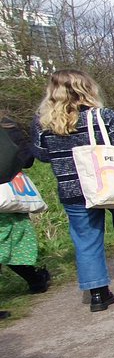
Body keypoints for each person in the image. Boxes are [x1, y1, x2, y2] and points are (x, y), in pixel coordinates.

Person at [32, 70, 114, 312]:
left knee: (86, 239)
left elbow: (42, 155)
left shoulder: (43, 122)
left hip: (73, 189)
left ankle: (98, 293)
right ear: (87, 89)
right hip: (111, 183)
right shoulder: (101, 116)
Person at [0, 115, 52, 320]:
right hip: (7, 195)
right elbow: (28, 159)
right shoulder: (7, 125)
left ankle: (36, 279)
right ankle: (36, 279)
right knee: (14, 242)